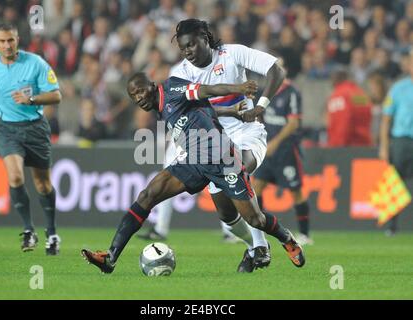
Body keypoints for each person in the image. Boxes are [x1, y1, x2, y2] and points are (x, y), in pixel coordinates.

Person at [81, 73, 305, 274]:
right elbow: (205, 107)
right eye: (133, 96)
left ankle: (287, 238)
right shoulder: (161, 109)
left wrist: (238, 89)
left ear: (151, 85)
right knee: (147, 195)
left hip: (222, 159)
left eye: (140, 90)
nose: (138, 98)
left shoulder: (171, 88)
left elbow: (206, 90)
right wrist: (230, 111)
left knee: (255, 219)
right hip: (193, 161)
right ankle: (110, 257)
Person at [139, 19, 286, 273]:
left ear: (205, 39)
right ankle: (254, 247)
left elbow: (277, 71)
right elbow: (192, 109)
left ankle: (263, 246)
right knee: (228, 218)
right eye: (183, 48)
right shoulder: (180, 74)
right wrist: (229, 111)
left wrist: (260, 106)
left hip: (246, 135)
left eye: (192, 45)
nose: (187, 51)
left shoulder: (233, 53)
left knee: (236, 166)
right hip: (211, 144)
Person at [0, 23, 62, 255]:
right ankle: (28, 230)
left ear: (17, 40)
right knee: (15, 177)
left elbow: (57, 95)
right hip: (7, 129)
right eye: (2, 41)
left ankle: (52, 232)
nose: (7, 45)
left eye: (11, 40)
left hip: (35, 128)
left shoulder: (35, 63)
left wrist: (32, 100)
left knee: (42, 184)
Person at [252, 56, 313, 246]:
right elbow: (259, 116)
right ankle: (258, 232)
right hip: (267, 150)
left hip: (286, 150)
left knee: (295, 191)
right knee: (257, 188)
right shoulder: (266, 92)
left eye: (278, 66)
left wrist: (275, 143)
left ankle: (304, 235)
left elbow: (294, 123)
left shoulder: (292, 92)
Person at [379, 49, 413, 236]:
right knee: (394, 185)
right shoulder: (398, 88)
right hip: (401, 141)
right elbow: (386, 119)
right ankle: (391, 226)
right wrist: (384, 147)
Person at [326, 67, 373, 147]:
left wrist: (337, 145)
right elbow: (367, 114)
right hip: (364, 143)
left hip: (346, 146)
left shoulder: (339, 95)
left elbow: (343, 122)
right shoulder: (360, 93)